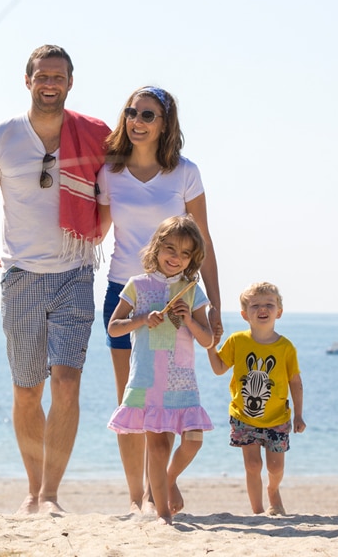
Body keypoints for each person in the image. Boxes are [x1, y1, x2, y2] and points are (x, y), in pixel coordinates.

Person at [0, 44, 110, 515]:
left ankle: (50, 495)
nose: (50, 83)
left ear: (70, 82)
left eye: (58, 76)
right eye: (42, 76)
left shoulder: (95, 137)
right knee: (27, 389)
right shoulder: (1, 138)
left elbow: (130, 184)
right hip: (21, 276)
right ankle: (31, 487)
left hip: (76, 271)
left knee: (66, 384)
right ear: (28, 81)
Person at [97, 85, 222, 513]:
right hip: (125, 291)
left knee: (167, 400)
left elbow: (203, 243)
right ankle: (139, 499)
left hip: (178, 296)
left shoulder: (185, 172)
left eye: (148, 115)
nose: (137, 121)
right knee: (132, 399)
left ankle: (159, 488)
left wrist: (215, 307)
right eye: (132, 112)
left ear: (165, 123)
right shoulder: (110, 172)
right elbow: (93, 231)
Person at [107, 215, 214, 524]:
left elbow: (207, 340)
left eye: (184, 254)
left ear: (193, 259)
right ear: (156, 248)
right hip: (147, 379)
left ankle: (167, 480)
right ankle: (164, 515)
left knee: (193, 440)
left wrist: (190, 320)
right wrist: (141, 319)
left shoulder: (192, 290)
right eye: (170, 248)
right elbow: (114, 328)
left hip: (182, 382)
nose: (176, 258)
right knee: (155, 446)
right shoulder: (137, 285)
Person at [207, 282, 306, 516]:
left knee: (275, 467)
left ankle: (273, 490)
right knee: (253, 465)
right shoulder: (237, 341)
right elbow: (219, 368)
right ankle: (258, 512)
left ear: (278, 312)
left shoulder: (286, 347)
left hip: (277, 418)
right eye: (256, 305)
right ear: (245, 314)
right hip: (244, 417)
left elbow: (296, 382)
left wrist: (299, 414)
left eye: (269, 304)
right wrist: (210, 346)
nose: (263, 309)